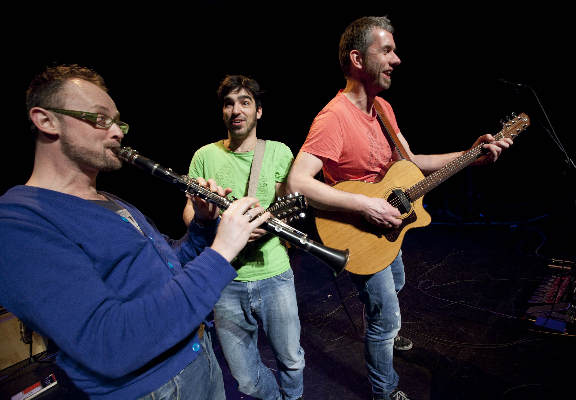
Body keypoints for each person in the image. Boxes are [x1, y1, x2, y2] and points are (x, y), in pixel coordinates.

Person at [0, 64, 272, 400]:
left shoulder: (111, 202)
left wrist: (203, 223)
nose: (117, 132)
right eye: (100, 119)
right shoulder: (19, 222)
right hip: (153, 389)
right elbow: (109, 344)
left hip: (198, 360)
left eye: (118, 122)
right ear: (46, 120)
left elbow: (173, 264)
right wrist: (222, 252)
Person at [286, 16, 513, 400]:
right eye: (387, 50)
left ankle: (380, 321)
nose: (397, 59)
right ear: (358, 59)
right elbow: (298, 182)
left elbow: (411, 163)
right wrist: (366, 205)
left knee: (398, 283)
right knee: (385, 318)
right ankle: (384, 389)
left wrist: (471, 155)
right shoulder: (334, 118)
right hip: (358, 233)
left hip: (386, 231)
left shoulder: (384, 109)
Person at [182, 75, 305, 400]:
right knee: (246, 379)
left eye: (245, 102)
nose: (236, 109)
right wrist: (203, 214)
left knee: (292, 361)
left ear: (259, 111)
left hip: (275, 275)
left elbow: (286, 207)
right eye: (229, 103)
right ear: (222, 111)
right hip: (225, 281)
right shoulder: (204, 156)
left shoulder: (279, 152)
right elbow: (188, 214)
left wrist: (266, 222)